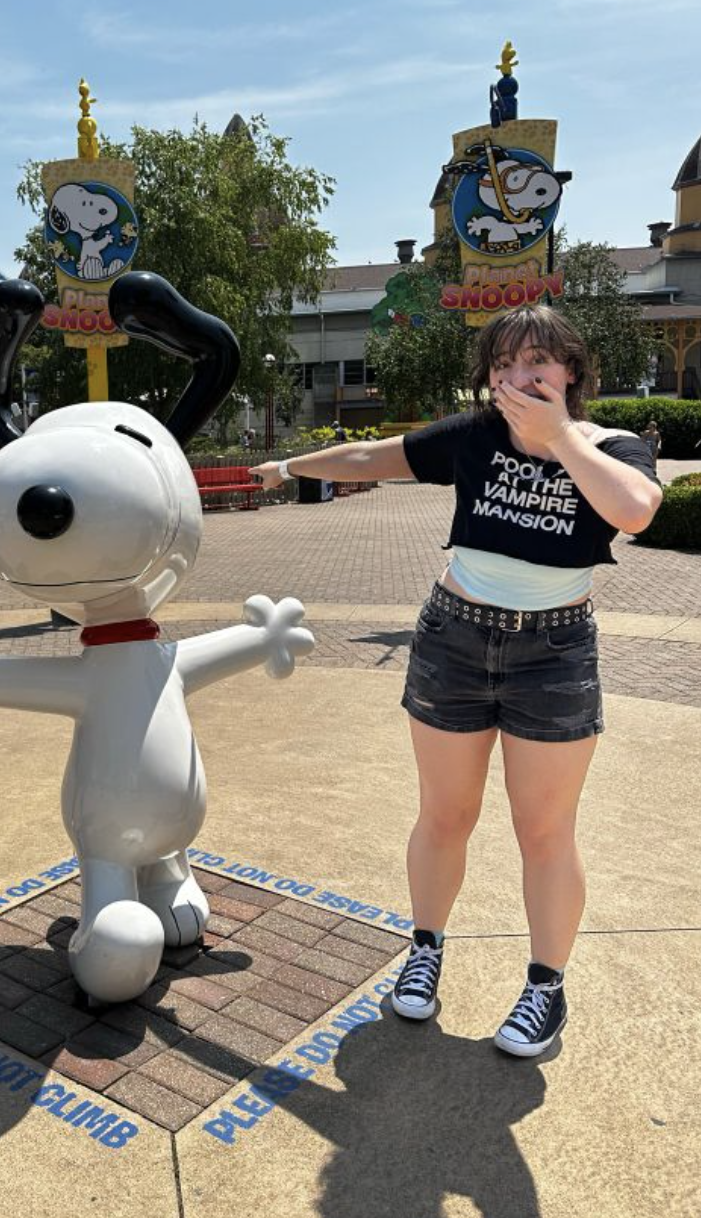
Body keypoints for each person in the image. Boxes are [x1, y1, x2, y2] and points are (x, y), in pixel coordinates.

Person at [251, 305, 662, 1058]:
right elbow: (374, 456)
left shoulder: (612, 447)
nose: (519, 376)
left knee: (544, 831)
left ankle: (545, 986)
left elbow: (634, 510)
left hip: (555, 652)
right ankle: (425, 948)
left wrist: (558, 437)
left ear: (571, 371)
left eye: (538, 360)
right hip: (455, 638)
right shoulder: (475, 438)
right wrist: (292, 466)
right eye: (503, 364)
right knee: (444, 815)